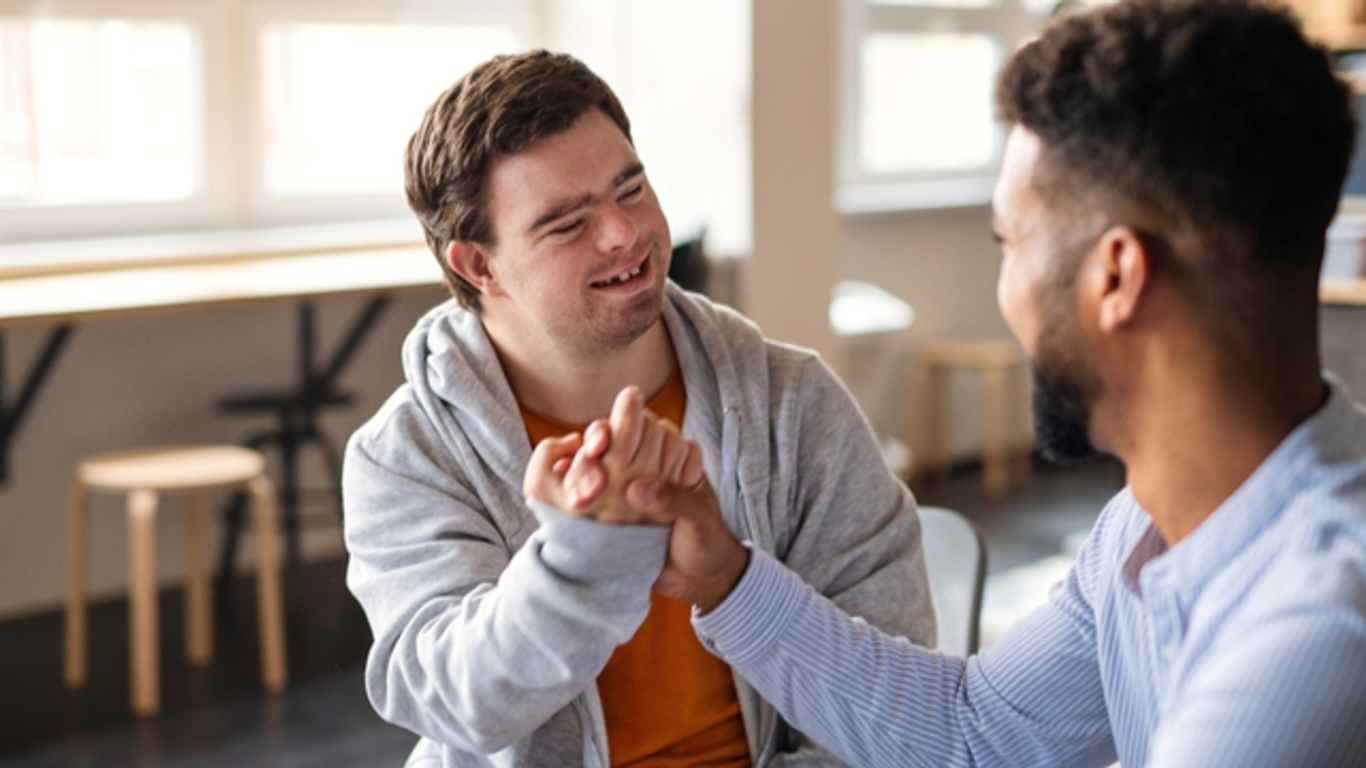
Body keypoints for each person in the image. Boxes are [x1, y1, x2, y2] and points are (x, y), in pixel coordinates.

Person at [530, 1, 1366, 766]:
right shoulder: (1145, 529)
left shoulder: (1319, 628)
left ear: (1116, 277)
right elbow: (976, 732)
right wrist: (724, 576)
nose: (1005, 285)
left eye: (1008, 240)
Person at [341, 50, 934, 768]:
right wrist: (585, 559)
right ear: (478, 265)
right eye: (566, 223)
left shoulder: (794, 402)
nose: (623, 234)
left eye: (631, 188)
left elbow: (894, 696)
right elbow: (453, 701)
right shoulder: (406, 453)